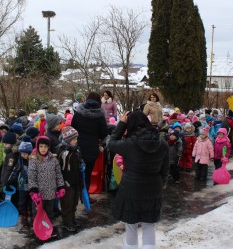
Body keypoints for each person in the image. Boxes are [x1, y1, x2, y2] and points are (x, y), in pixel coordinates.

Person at [108, 110, 169, 249]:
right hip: (153, 187)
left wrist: (122, 124)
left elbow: (111, 143)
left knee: (130, 225)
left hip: (131, 188)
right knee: (149, 224)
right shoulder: (162, 143)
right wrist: (164, 182)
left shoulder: (129, 144)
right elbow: (165, 167)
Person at [71, 92, 108, 203]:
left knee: (75, 172)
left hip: (77, 147)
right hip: (92, 148)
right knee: (88, 173)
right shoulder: (100, 115)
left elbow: (73, 127)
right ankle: (85, 196)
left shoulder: (78, 112)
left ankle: (74, 197)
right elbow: (104, 132)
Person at [28, 136, 65, 237]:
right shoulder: (34, 160)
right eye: (41, 146)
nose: (43, 149)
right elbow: (31, 177)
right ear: (37, 147)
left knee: (49, 212)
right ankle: (38, 229)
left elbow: (58, 174)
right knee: (38, 213)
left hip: (51, 193)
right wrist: (34, 191)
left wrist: (61, 186)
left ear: (48, 147)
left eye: (45, 146)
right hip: (39, 195)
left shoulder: (53, 159)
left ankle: (48, 229)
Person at [56, 126, 83, 232]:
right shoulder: (63, 153)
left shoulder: (76, 150)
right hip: (67, 183)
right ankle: (67, 222)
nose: (76, 141)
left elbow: (77, 164)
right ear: (68, 140)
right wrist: (63, 182)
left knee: (74, 202)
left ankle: (72, 219)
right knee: (67, 203)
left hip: (76, 181)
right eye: (74, 139)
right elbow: (59, 170)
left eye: (76, 139)